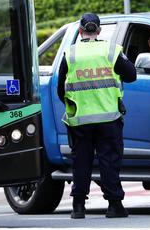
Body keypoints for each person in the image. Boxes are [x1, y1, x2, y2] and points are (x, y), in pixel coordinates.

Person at [57, 13, 137, 219]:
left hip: (80, 120)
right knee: (109, 160)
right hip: (109, 118)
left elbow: (60, 90)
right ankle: (114, 205)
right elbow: (131, 75)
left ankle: (78, 207)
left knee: (81, 161)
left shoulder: (70, 54)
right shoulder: (110, 51)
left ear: (81, 31)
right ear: (99, 30)